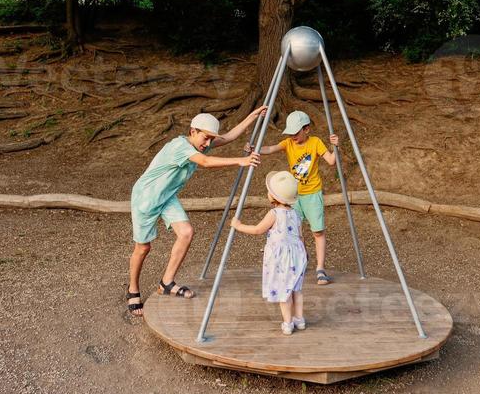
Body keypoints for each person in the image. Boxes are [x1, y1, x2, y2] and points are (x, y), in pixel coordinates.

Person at [126, 108, 265, 317]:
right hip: (147, 197)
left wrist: (252, 117)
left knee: (186, 232)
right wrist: (240, 160)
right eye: (205, 138)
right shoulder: (180, 147)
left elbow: (227, 138)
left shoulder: (200, 144)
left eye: (210, 140)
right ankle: (132, 289)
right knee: (143, 248)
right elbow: (206, 162)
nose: (208, 144)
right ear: (193, 131)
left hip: (167, 196)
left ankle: (166, 282)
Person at [258, 109, 339, 285]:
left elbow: (332, 161)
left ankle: (320, 268)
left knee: (317, 231)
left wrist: (335, 146)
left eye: (296, 132)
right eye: (291, 132)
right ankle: (301, 260)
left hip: (312, 193)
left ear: (306, 129)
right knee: (295, 231)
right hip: (293, 195)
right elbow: (271, 148)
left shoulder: (315, 142)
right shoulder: (288, 143)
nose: (293, 136)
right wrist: (254, 148)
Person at [232, 171, 308, 335]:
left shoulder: (274, 214)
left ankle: (288, 323)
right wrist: (305, 255)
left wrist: (238, 226)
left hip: (282, 258)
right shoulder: (296, 214)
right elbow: (300, 236)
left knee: (284, 290)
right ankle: (299, 320)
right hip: (297, 255)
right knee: (296, 289)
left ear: (274, 196)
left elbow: (258, 229)